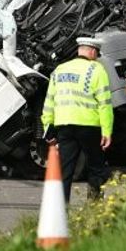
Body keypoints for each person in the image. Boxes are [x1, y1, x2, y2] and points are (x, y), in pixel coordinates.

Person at [41, 35, 113, 202]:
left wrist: (48, 126)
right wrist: (107, 131)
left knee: (65, 170)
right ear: (93, 52)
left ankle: (61, 209)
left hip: (64, 126)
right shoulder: (96, 70)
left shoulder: (60, 70)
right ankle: (95, 207)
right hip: (90, 126)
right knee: (96, 167)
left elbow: (49, 100)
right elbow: (105, 103)